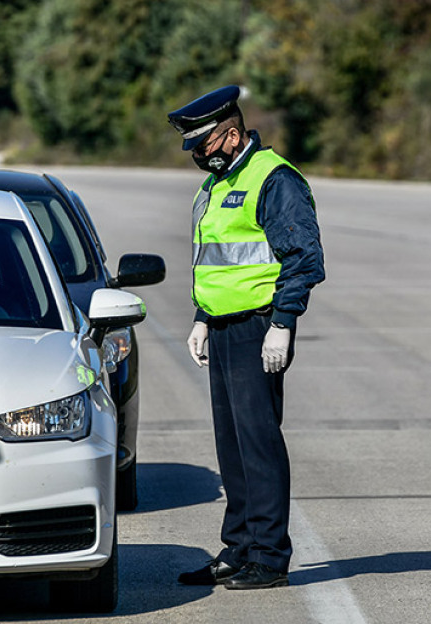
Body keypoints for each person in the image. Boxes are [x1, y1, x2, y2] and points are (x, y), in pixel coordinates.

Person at [167, 85, 324, 589]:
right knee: (232, 446)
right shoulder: (215, 185)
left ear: (231, 135)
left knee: (258, 443)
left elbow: (303, 258)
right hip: (224, 326)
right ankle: (238, 548)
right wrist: (201, 317)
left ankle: (269, 556)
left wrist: (283, 323)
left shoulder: (273, 179)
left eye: (203, 144)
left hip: (260, 327)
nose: (196, 155)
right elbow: (216, 261)